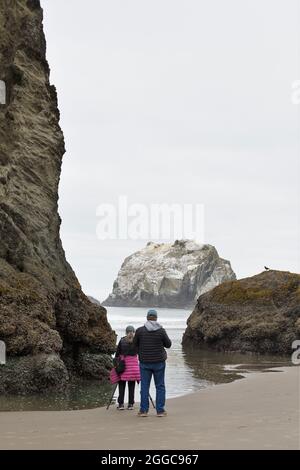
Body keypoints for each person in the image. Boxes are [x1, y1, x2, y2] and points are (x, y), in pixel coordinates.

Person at [134, 309, 172, 417]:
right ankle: (160, 411)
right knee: (160, 386)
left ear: (147, 317)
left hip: (144, 362)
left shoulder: (140, 331)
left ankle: (143, 411)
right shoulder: (161, 331)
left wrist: (141, 352)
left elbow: (134, 346)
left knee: (144, 387)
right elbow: (168, 344)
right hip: (159, 362)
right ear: (156, 318)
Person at [110, 325, 140, 410]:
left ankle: (121, 405)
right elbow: (139, 352)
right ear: (134, 332)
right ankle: (130, 404)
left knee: (121, 385)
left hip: (123, 366)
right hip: (133, 367)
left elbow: (117, 354)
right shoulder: (136, 341)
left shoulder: (122, 340)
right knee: (131, 386)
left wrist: (115, 364)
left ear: (126, 332)